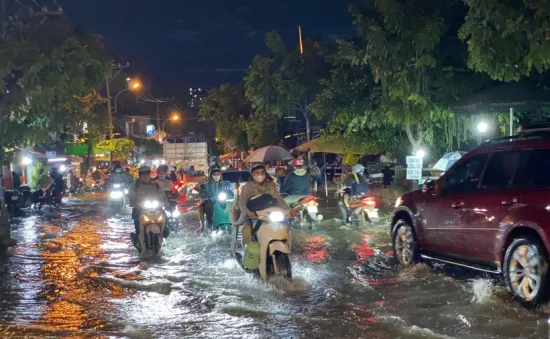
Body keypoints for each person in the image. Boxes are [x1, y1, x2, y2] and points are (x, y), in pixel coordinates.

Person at [235, 165, 289, 245]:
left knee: (286, 228)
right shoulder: (247, 187)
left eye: (262, 172)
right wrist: (248, 212)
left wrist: (288, 210)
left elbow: (278, 198)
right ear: (253, 174)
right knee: (246, 232)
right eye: (257, 173)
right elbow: (242, 202)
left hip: (271, 215)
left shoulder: (271, 185)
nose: (260, 175)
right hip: (254, 216)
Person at [128, 166, 170, 249]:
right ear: (139, 176)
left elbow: (163, 197)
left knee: (166, 221)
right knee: (137, 223)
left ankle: (163, 234)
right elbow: (132, 199)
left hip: (157, 209)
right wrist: (136, 204)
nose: (145, 177)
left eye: (147, 175)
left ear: (149, 175)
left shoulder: (156, 185)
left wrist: (164, 203)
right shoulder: (134, 186)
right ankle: (138, 241)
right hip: (140, 210)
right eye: (143, 175)